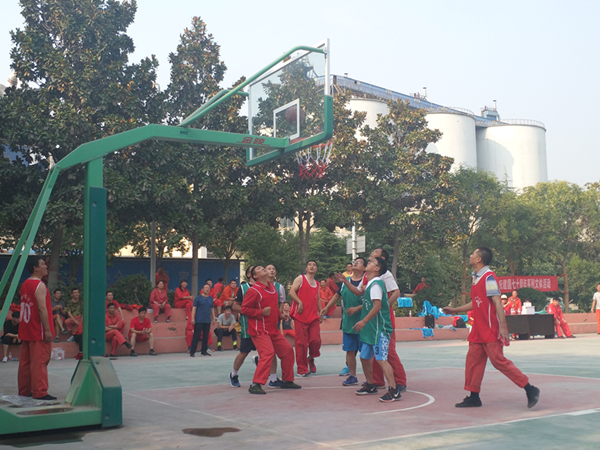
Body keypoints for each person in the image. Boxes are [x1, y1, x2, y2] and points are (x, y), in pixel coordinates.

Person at [442, 247, 540, 409]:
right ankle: (474, 397)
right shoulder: (476, 277)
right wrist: (455, 310)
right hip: (478, 329)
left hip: (489, 328)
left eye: (473, 254)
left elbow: (497, 302)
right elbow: (476, 302)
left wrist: (503, 327)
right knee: (473, 362)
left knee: (498, 361)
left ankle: (530, 389)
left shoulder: (489, 277)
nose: (470, 255)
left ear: (479, 259)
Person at [338, 248, 408, 391]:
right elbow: (359, 293)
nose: (372, 253)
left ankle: (399, 382)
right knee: (370, 354)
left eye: (375, 253)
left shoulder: (384, 275)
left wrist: (383, 307)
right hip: (370, 320)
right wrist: (345, 281)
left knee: (387, 352)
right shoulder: (367, 277)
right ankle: (376, 381)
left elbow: (396, 292)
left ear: (380, 261)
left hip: (381, 319)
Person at [241, 265, 301, 394]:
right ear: (255, 276)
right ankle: (256, 384)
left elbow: (273, 307)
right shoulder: (253, 291)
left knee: (288, 350)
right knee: (268, 353)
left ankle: (287, 380)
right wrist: (260, 312)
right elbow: (244, 309)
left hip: (273, 329)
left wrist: (280, 315)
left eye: (263, 267)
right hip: (259, 330)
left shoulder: (273, 288)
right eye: (259, 269)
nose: (263, 268)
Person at [353, 257, 401, 402]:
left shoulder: (376, 284)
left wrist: (363, 321)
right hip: (371, 329)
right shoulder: (369, 284)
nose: (368, 262)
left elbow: (377, 306)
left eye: (371, 262)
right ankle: (370, 384)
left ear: (377, 268)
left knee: (381, 359)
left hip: (380, 329)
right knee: (364, 357)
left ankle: (393, 390)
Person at [322, 257, 367, 387]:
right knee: (349, 351)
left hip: (364, 322)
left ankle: (371, 378)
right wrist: (327, 307)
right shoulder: (344, 282)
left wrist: (358, 308)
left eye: (359, 262)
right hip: (348, 322)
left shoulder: (367, 281)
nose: (355, 263)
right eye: (354, 262)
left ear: (364, 267)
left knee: (366, 353)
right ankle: (353, 376)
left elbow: (371, 302)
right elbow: (337, 296)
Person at [18, 255, 56, 400]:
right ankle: (40, 392)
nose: (46, 266)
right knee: (40, 361)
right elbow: (42, 309)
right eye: (43, 264)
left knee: (25, 363)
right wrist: (47, 329)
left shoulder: (25, 284)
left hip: (26, 328)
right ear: (35, 268)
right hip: (37, 330)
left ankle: (24, 390)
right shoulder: (39, 286)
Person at [289, 260, 322, 376]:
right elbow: (291, 292)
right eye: (309, 265)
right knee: (301, 344)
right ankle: (301, 369)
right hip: (300, 316)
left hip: (313, 317)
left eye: (314, 265)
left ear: (316, 269)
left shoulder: (317, 283)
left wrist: (321, 312)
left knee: (316, 341)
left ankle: (311, 358)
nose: (312, 266)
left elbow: (317, 299)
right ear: (306, 268)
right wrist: (299, 302)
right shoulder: (301, 279)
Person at [190, 284, 216, 357]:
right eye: (206, 288)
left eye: (208, 288)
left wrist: (213, 318)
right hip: (199, 320)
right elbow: (194, 308)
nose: (207, 289)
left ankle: (204, 351)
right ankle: (192, 351)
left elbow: (212, 308)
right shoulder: (198, 298)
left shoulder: (210, 298)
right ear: (203, 289)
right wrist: (192, 318)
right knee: (196, 336)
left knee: (206, 336)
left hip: (207, 320)